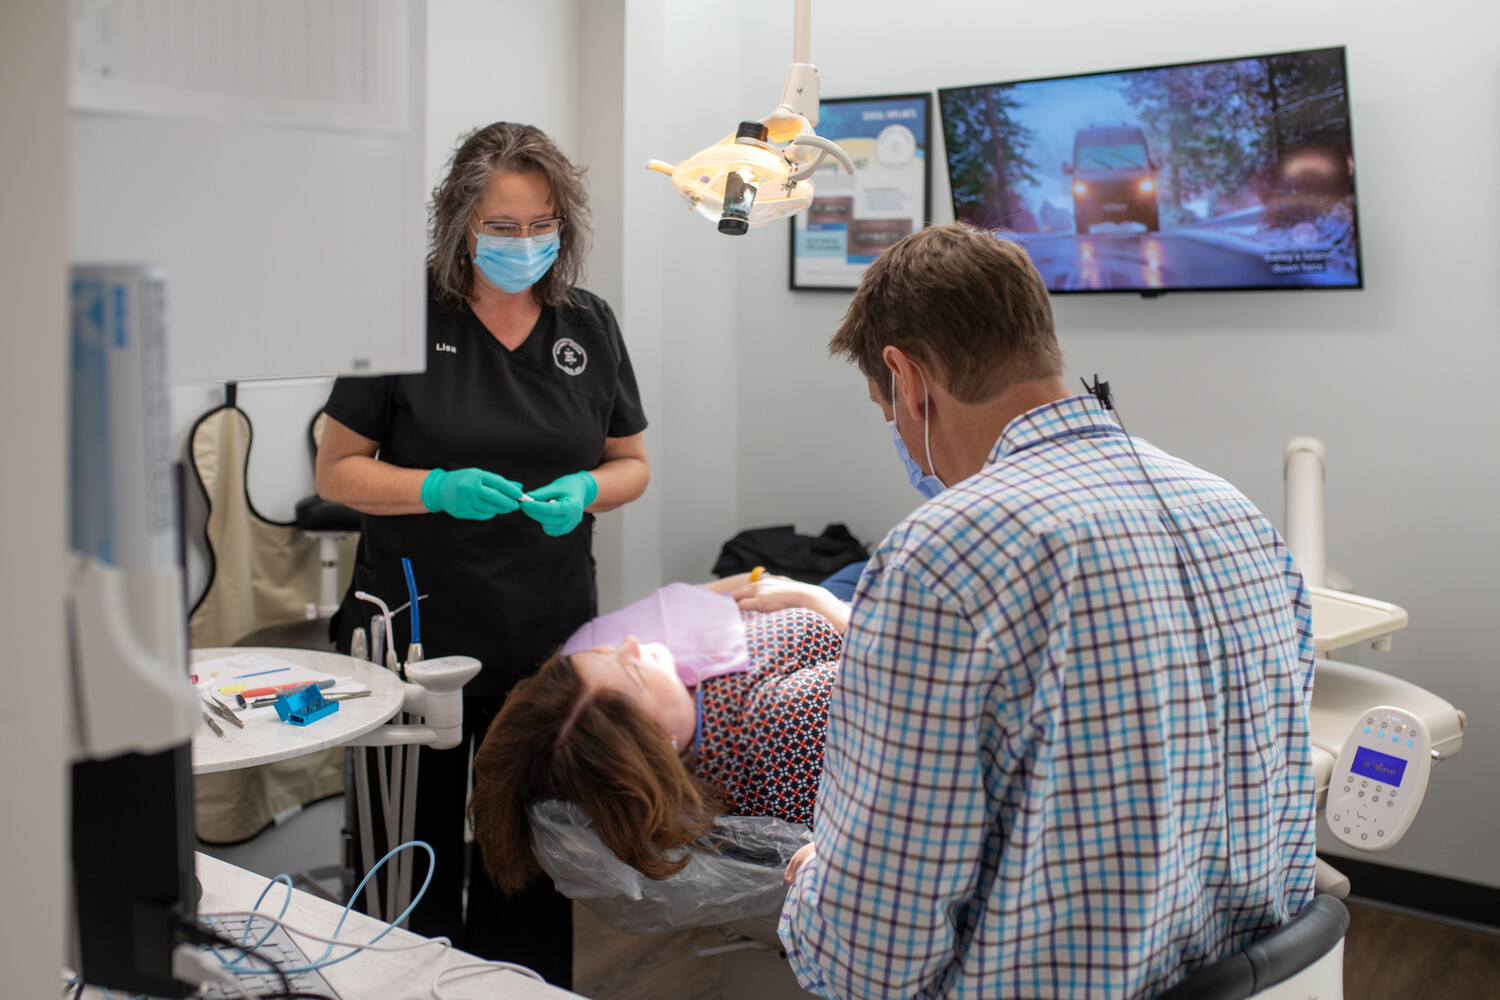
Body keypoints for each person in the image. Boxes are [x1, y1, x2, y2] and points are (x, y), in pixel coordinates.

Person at [778, 223, 1318, 1000]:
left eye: (885, 407)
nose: (897, 429)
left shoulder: (939, 557)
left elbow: (867, 961)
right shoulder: (1237, 515)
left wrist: (816, 882)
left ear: (908, 379)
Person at [315, 122, 650, 987]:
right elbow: (337, 468)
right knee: (406, 871)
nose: (524, 242)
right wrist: (433, 488)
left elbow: (632, 464)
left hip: (542, 641)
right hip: (415, 640)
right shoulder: (399, 313)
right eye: (502, 227)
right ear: (460, 222)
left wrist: (587, 491)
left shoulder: (588, 323)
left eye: (541, 224)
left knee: (527, 869)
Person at [467, 573, 849, 891]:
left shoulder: (692, 728)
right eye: (633, 672)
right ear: (652, 745)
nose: (631, 645)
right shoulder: (783, 721)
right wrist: (816, 599)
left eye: (606, 651)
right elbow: (902, 675)